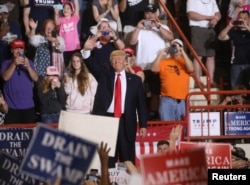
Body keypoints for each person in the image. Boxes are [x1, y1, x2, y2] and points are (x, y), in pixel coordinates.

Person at [90, 50, 147, 168]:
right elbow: (91, 65)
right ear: (111, 62)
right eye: (114, 59)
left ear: (125, 61)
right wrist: (86, 51)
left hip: (126, 121)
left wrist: (143, 125)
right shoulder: (104, 76)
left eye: (120, 58)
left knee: (127, 158)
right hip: (108, 121)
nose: (117, 61)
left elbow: (141, 105)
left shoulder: (135, 81)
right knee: (108, 157)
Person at [129, 4, 174, 120]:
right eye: (148, 13)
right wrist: (139, 27)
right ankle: (141, 114)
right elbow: (132, 42)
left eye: (152, 13)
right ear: (144, 15)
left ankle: (154, 114)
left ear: (157, 14)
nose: (150, 16)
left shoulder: (163, 27)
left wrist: (158, 26)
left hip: (158, 65)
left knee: (155, 92)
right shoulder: (140, 29)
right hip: (142, 66)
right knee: (140, 93)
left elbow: (171, 37)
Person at [151, 39, 194, 121]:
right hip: (167, 100)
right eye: (174, 46)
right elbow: (153, 69)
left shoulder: (185, 62)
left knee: (183, 128)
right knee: (167, 127)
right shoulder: (164, 62)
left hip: (182, 100)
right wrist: (160, 54)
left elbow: (191, 69)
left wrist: (182, 52)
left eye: (179, 46)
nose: (176, 49)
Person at [0, 39, 38, 123]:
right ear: (11, 50)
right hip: (12, 108)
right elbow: (5, 77)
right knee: (13, 135)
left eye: (21, 48)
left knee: (30, 135)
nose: (18, 51)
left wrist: (28, 67)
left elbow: (35, 78)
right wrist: (14, 64)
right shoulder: (6, 63)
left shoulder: (29, 62)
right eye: (16, 48)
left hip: (28, 107)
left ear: (24, 50)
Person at [186, 0, 221, 87]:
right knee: (198, 56)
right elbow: (192, 14)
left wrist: (216, 18)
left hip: (210, 29)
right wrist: (209, 17)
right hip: (198, 28)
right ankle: (198, 81)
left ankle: (211, 81)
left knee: (211, 56)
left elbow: (218, 13)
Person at [218, 10, 250, 90]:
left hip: (249, 63)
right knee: (235, 88)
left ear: (249, 19)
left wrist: (247, 27)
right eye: (240, 18)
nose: (242, 20)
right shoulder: (234, 32)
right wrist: (229, 26)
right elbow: (220, 37)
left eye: (245, 18)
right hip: (237, 64)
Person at [54, 0, 81, 67]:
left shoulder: (74, 19)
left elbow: (77, 7)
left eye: (68, 8)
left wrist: (75, 1)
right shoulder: (61, 19)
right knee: (66, 68)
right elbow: (56, 22)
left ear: (72, 11)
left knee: (76, 66)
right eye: (64, 8)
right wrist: (56, 13)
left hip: (75, 48)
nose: (65, 10)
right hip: (65, 49)